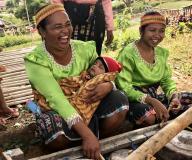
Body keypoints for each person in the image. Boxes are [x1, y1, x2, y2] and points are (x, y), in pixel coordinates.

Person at [24, 4, 128, 159]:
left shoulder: (85, 49)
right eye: (57, 27)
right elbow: (56, 100)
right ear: (42, 31)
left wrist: (108, 85)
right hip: (57, 109)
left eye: (68, 24)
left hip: (86, 104)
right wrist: (87, 135)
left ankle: (89, 138)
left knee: (120, 101)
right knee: (55, 133)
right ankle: (88, 137)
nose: (65, 31)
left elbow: (107, 73)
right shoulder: (35, 60)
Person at [115, 11, 192, 128]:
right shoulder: (128, 53)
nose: (157, 35)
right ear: (141, 31)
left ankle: (170, 118)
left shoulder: (161, 53)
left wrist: (173, 96)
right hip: (134, 99)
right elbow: (123, 86)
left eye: (161, 31)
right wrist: (151, 101)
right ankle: (170, 122)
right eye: (152, 30)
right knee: (148, 116)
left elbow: (166, 80)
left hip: (153, 96)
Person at [34, 56, 122, 125]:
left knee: (50, 106)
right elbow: (70, 83)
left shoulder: (99, 83)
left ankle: (38, 109)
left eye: (100, 67)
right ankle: (38, 106)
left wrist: (110, 84)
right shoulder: (84, 75)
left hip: (73, 107)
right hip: (65, 95)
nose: (95, 66)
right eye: (95, 63)